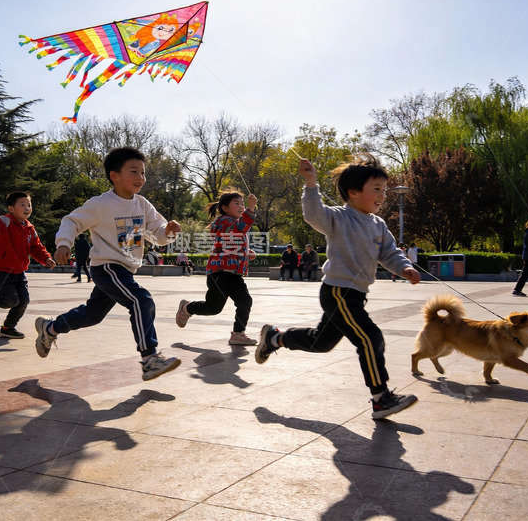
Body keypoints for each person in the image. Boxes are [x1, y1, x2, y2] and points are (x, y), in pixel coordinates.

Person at [256, 153, 421, 420]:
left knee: (320, 343)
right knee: (370, 338)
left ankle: (275, 338)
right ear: (353, 192)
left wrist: (404, 268)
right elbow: (313, 214)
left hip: (354, 295)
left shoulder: (378, 224)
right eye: (376, 189)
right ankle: (381, 398)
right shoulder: (338, 218)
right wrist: (311, 183)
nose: (383, 195)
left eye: (385, 190)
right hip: (338, 292)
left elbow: (390, 253)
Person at [34, 147, 182, 381]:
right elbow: (71, 221)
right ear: (114, 176)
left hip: (125, 269)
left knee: (93, 315)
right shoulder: (100, 204)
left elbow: (156, 233)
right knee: (140, 299)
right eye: (133, 172)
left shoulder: (142, 205)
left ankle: (51, 328)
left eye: (143, 173)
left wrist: (168, 231)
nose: (140, 178)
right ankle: (149, 359)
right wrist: (64, 243)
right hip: (106, 267)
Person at [176, 189, 259, 345]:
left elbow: (231, 243)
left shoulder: (235, 224)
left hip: (234, 274)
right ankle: (187, 308)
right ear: (225, 208)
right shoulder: (222, 222)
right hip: (220, 273)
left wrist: (246, 252)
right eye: (237, 203)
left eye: (242, 203)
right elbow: (238, 230)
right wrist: (250, 208)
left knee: (245, 301)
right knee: (213, 308)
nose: (242, 206)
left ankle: (238, 333)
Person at [0, 190, 56, 339]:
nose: (27, 208)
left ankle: (8, 328)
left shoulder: (30, 229)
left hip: (20, 272)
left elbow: (37, 248)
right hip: (2, 271)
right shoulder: (4, 222)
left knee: (23, 301)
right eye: (23, 204)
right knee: (10, 301)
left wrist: (47, 259)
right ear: (11, 209)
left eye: (29, 205)